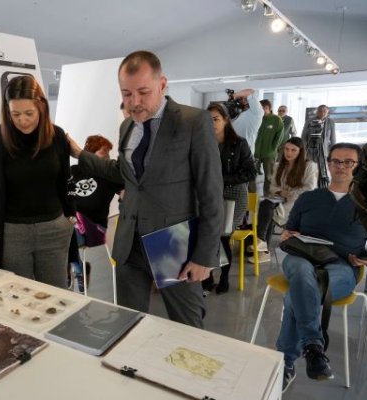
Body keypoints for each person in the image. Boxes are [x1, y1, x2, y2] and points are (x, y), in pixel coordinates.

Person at [66, 51, 223, 328]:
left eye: (143, 92)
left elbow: (210, 193)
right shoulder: (128, 125)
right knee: (128, 325)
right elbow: (125, 175)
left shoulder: (193, 121)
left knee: (189, 329)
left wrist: (204, 257)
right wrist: (80, 154)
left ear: (162, 84)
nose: (134, 102)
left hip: (173, 245)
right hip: (129, 242)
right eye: (126, 94)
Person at [0, 75, 75, 289]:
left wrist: (71, 216)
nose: (22, 120)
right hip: (11, 234)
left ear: (42, 108)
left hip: (54, 230)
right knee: (17, 299)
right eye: (15, 114)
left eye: (29, 113)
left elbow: (67, 181)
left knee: (57, 297)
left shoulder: (57, 136)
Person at [278, 143, 367, 393]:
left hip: (341, 265)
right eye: (336, 161)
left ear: (358, 167)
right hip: (301, 257)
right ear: (328, 163)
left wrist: (366, 258)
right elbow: (290, 229)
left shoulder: (364, 204)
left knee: (298, 293)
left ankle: (288, 360)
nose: (341, 167)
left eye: (348, 162)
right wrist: (287, 234)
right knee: (302, 276)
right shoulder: (309, 198)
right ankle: (313, 347)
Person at [202, 103, 256, 294]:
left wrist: (221, 180)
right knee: (206, 235)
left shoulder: (239, 143)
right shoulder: (203, 141)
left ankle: (223, 279)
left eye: (215, 119)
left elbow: (251, 171)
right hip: (209, 195)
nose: (212, 123)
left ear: (226, 119)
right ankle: (207, 278)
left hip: (232, 195)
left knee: (223, 238)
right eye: (208, 120)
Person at [68, 135, 124, 293]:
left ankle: (75, 268)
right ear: (90, 153)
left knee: (71, 223)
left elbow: (127, 191)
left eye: (108, 154)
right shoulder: (74, 171)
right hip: (73, 225)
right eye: (104, 152)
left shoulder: (109, 176)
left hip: (95, 226)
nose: (107, 157)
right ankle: (77, 267)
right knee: (65, 224)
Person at [248, 137, 317, 263]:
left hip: (298, 201)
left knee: (268, 211)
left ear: (300, 151)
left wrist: (290, 194)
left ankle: (263, 246)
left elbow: (310, 188)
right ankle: (262, 243)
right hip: (279, 199)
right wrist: (281, 192)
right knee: (266, 205)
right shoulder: (278, 165)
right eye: (286, 149)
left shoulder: (309, 166)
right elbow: (272, 186)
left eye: (293, 150)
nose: (289, 153)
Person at [231, 89, 263, 193]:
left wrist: (234, 95)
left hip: (246, 155)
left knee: (246, 187)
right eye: (241, 98)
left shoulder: (257, 112)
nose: (243, 100)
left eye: (245, 98)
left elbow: (251, 92)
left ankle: (249, 208)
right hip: (231, 154)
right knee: (232, 185)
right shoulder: (237, 113)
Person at [254, 99, 284, 196]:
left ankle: (267, 196)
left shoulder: (276, 120)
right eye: (260, 108)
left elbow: (279, 136)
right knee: (251, 176)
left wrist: (273, 148)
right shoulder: (257, 118)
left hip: (269, 154)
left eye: (264, 108)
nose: (262, 110)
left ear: (269, 108)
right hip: (255, 153)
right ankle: (252, 196)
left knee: (269, 177)